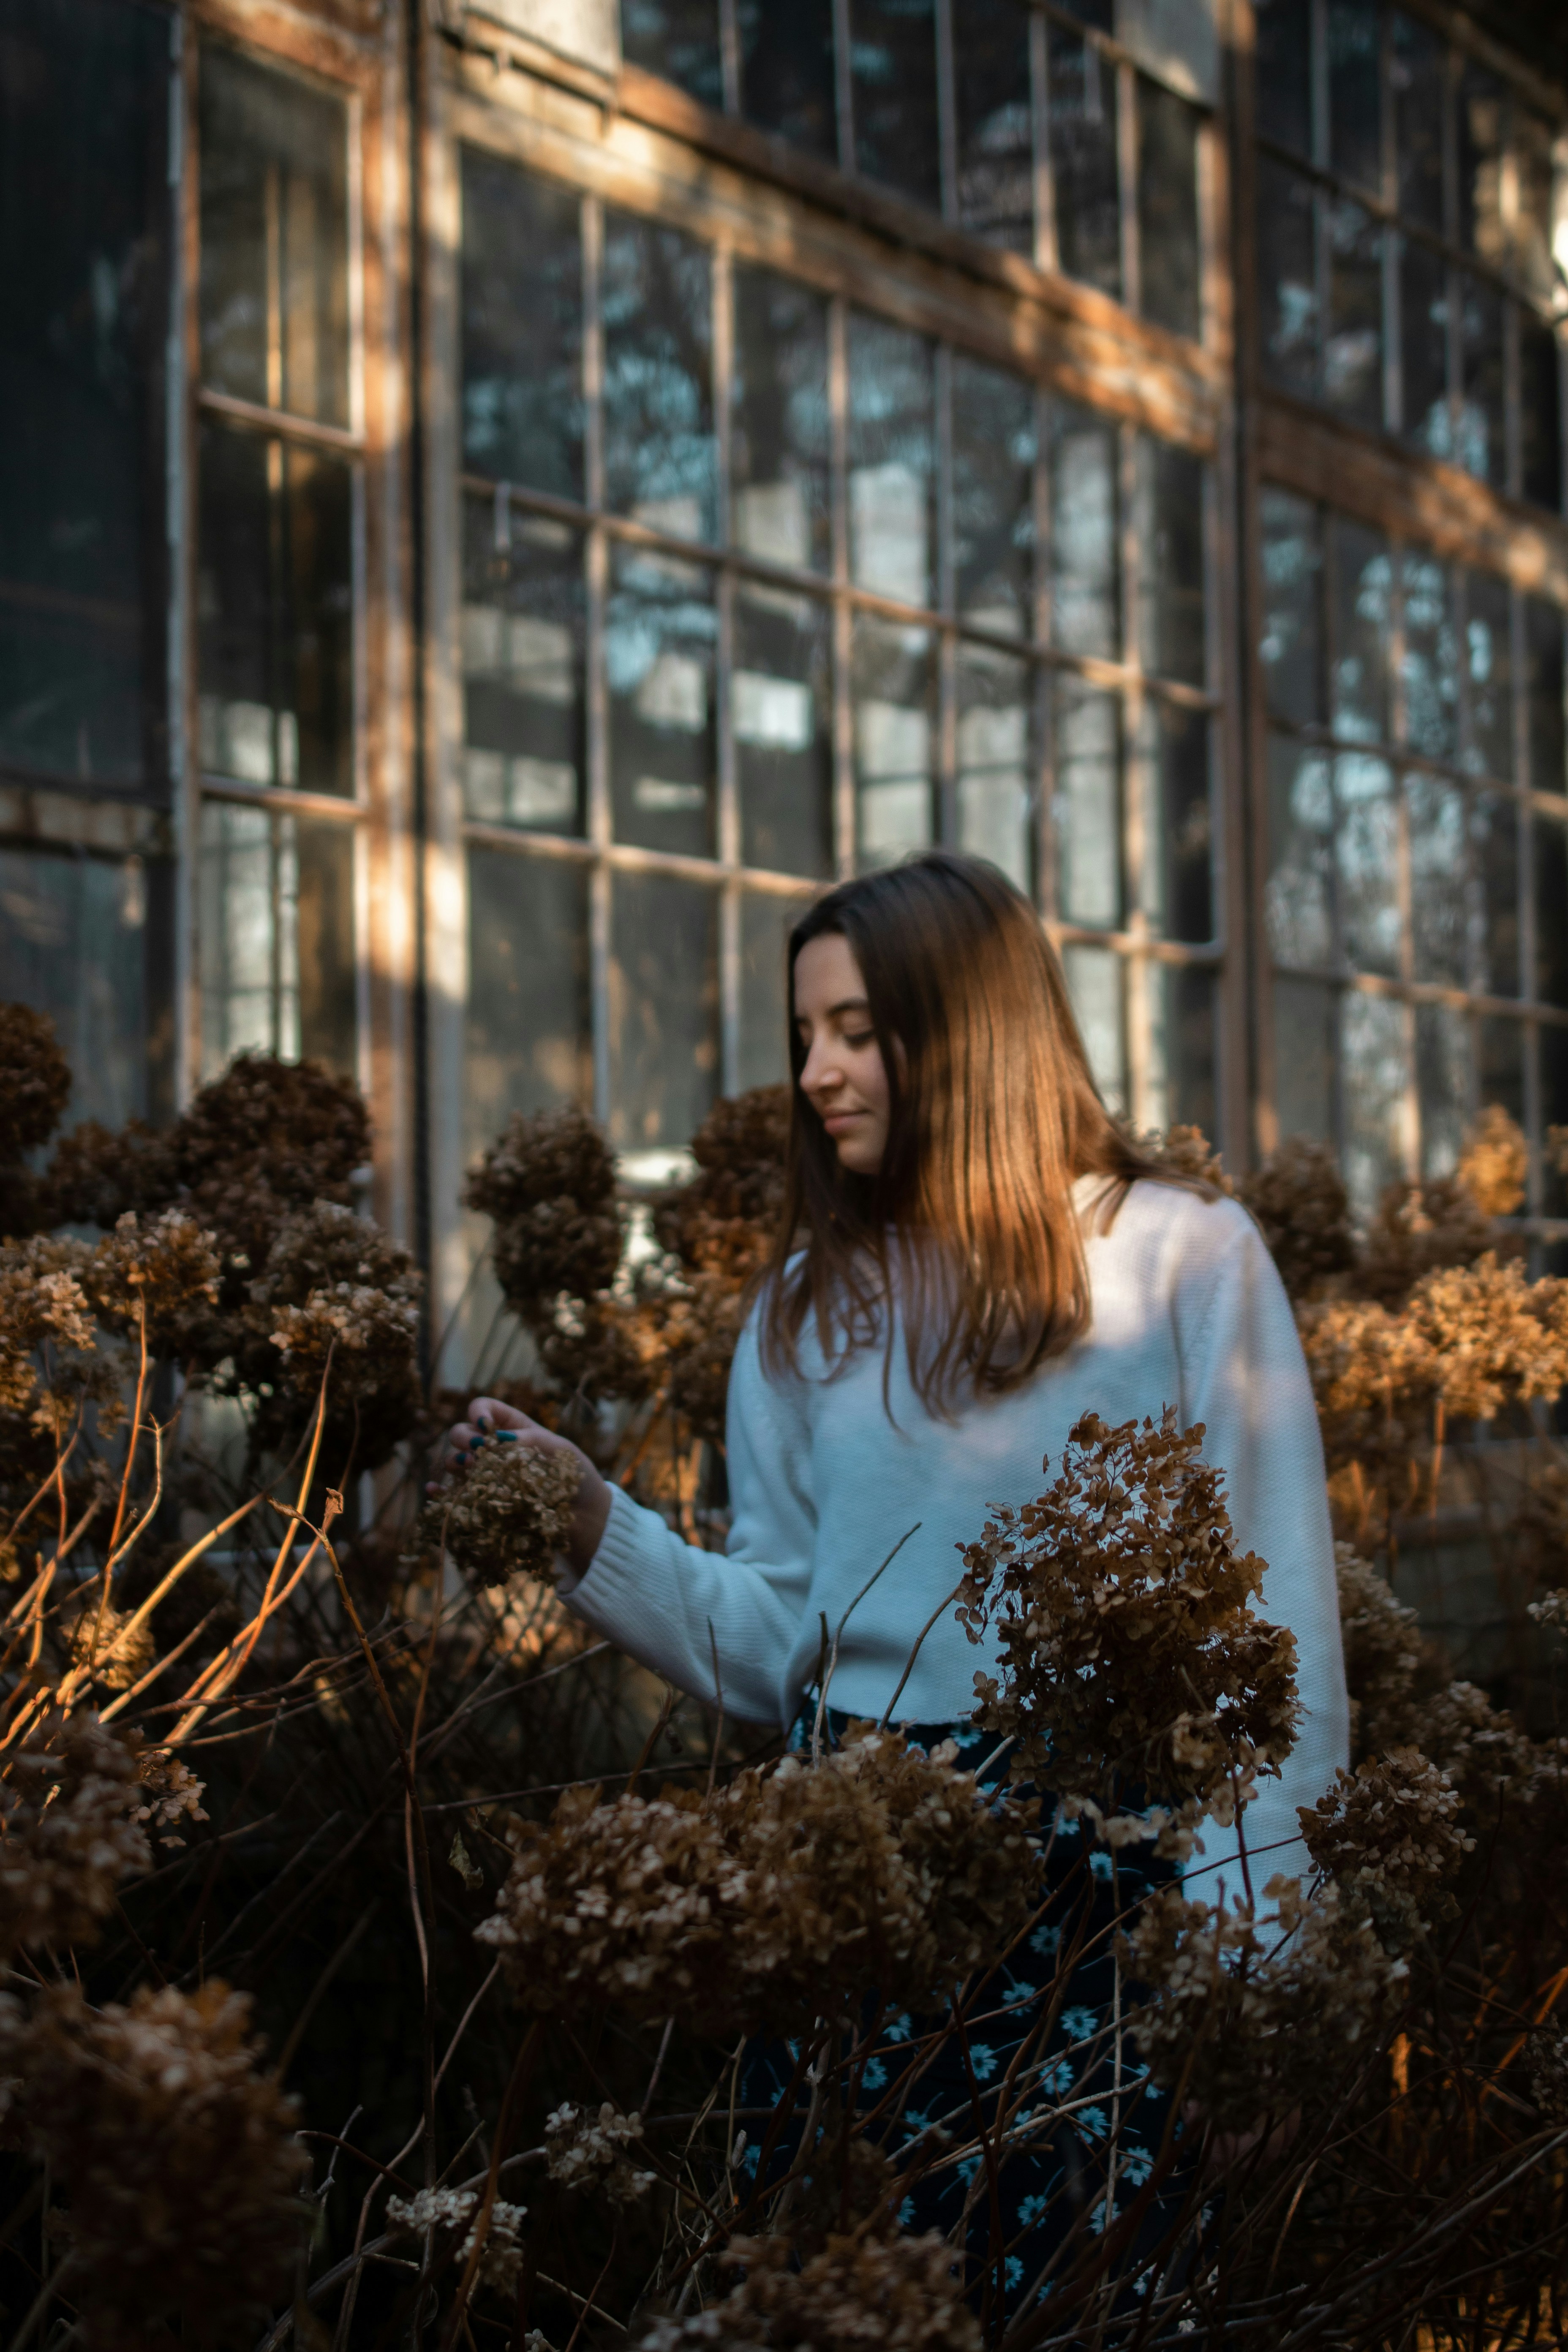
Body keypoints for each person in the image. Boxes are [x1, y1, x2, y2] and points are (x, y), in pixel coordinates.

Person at [439, 849, 1349, 2308]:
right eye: (805, 1035)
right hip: (854, 1909)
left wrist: (1257, 1988)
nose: (816, 1071)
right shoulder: (804, 1311)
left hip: (1108, 1921)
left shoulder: (1185, 1261)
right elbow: (771, 1645)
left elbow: (1279, 1647)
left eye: (856, 1030)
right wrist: (588, 1524)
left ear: (971, 1024)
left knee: (1086, 2306)